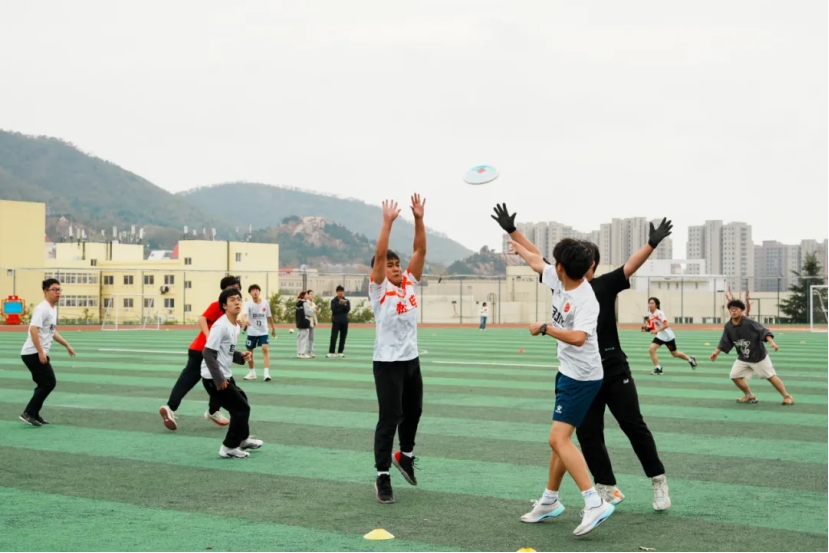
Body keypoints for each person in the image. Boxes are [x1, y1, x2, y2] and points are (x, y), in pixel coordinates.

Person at [492, 203, 673, 511]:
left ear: (593, 265)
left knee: (633, 425)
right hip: (582, 375)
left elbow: (630, 265)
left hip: (612, 370)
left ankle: (657, 480)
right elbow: (538, 258)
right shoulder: (561, 283)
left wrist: (652, 243)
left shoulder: (602, 286)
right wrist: (512, 231)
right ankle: (607, 488)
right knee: (589, 434)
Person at [505, 237, 614, 537]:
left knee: (558, 439)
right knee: (560, 440)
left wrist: (545, 328)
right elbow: (535, 260)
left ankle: (594, 502)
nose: (552, 266)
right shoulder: (559, 277)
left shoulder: (586, 299)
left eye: (556, 262)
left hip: (582, 377)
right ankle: (549, 501)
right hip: (568, 372)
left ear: (562, 267)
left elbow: (579, 338)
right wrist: (516, 240)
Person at [370, 194, 426, 504]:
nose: (394, 268)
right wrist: (387, 223)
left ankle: (405, 456)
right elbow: (379, 255)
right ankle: (382, 477)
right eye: (389, 265)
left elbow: (420, 250)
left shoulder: (409, 283)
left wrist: (419, 218)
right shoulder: (379, 290)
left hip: (410, 361)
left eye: (397, 264)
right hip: (387, 363)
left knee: (413, 411)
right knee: (389, 418)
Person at [158, 275, 238, 431]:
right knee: (222, 383)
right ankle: (212, 412)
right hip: (205, 350)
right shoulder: (218, 305)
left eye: (237, 289)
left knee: (190, 381)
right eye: (232, 288)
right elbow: (202, 319)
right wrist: (208, 335)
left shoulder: (230, 310)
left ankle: (171, 408)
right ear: (224, 290)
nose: (235, 292)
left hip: (202, 349)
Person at [200, 287, 263, 458]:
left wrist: (241, 356)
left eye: (239, 299)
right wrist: (219, 378)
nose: (237, 302)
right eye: (232, 300)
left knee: (242, 401)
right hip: (214, 378)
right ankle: (228, 447)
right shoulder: (220, 326)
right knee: (241, 409)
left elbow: (226, 350)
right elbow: (208, 353)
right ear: (224, 305)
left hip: (224, 374)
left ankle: (242, 439)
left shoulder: (234, 325)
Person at [710, 299, 793, 405]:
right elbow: (725, 341)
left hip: (758, 356)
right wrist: (716, 353)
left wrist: (772, 342)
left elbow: (764, 331)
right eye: (731, 309)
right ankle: (749, 396)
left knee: (770, 376)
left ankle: (787, 396)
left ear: (742, 311)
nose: (733, 311)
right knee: (734, 376)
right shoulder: (728, 326)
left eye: (736, 309)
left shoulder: (749, 322)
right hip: (743, 357)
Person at [19, 278, 76, 426]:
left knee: (44, 384)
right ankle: (28, 413)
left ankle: (34, 413)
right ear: (45, 292)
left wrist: (67, 345)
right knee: (48, 383)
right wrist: (41, 352)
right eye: (54, 289)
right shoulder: (42, 308)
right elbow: (33, 329)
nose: (58, 292)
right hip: (32, 353)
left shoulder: (52, 308)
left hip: (36, 352)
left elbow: (52, 331)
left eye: (59, 289)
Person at [645, 297, 697, 375]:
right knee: (651, 349)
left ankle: (690, 359)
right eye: (649, 303)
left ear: (656, 305)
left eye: (652, 303)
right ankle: (658, 368)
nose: (650, 305)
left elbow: (666, 325)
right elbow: (651, 325)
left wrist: (656, 330)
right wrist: (648, 328)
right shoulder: (649, 314)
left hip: (668, 336)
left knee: (675, 354)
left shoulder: (659, 313)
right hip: (660, 336)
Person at [242, 284, 276, 382]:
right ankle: (252, 373)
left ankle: (266, 373)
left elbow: (269, 316)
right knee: (249, 352)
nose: (255, 292)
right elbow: (244, 315)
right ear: (250, 293)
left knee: (265, 349)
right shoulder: (248, 304)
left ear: (259, 292)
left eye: (257, 290)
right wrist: (245, 320)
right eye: (253, 290)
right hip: (252, 332)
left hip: (263, 331)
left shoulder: (265, 303)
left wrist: (273, 328)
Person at [328, 285, 351, 357]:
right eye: (339, 291)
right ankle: (331, 352)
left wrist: (344, 305)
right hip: (336, 321)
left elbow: (347, 310)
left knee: (343, 337)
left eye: (342, 291)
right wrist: (340, 305)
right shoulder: (333, 301)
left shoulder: (346, 301)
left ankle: (340, 351)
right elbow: (334, 310)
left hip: (344, 321)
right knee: (334, 336)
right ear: (337, 292)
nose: (340, 293)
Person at [295, 291, 312, 359]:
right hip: (305, 322)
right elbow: (309, 313)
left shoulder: (298, 303)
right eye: (307, 294)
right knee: (304, 338)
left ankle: (299, 353)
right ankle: (302, 353)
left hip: (299, 322)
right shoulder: (305, 303)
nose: (308, 295)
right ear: (304, 295)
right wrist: (313, 309)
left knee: (299, 338)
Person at [305, 290, 319, 358]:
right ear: (307, 295)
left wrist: (317, 308)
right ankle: (303, 351)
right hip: (307, 322)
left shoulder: (313, 303)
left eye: (312, 294)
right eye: (310, 294)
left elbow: (316, 311)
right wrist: (314, 308)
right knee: (305, 338)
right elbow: (309, 311)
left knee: (311, 338)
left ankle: (311, 351)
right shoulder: (306, 302)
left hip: (312, 322)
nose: (312, 295)